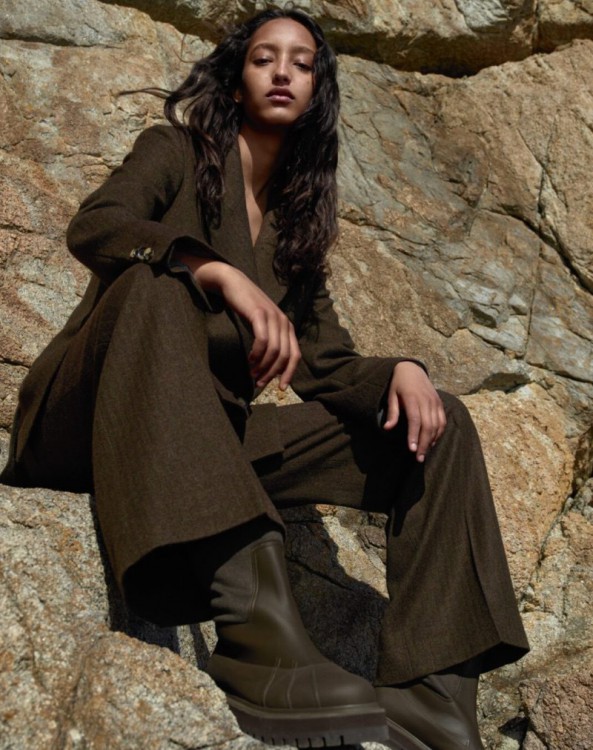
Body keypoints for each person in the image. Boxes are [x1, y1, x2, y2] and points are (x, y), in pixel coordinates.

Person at [1, 9, 529, 749]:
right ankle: (258, 641)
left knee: (437, 421)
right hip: (91, 420)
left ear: (316, 90)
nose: (282, 72)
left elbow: (329, 366)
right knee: (159, 287)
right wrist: (211, 270)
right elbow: (96, 225)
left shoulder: (294, 226)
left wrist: (402, 371)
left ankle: (432, 694)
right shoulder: (174, 151)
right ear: (236, 79)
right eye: (263, 58)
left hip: (205, 441)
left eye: (301, 63)